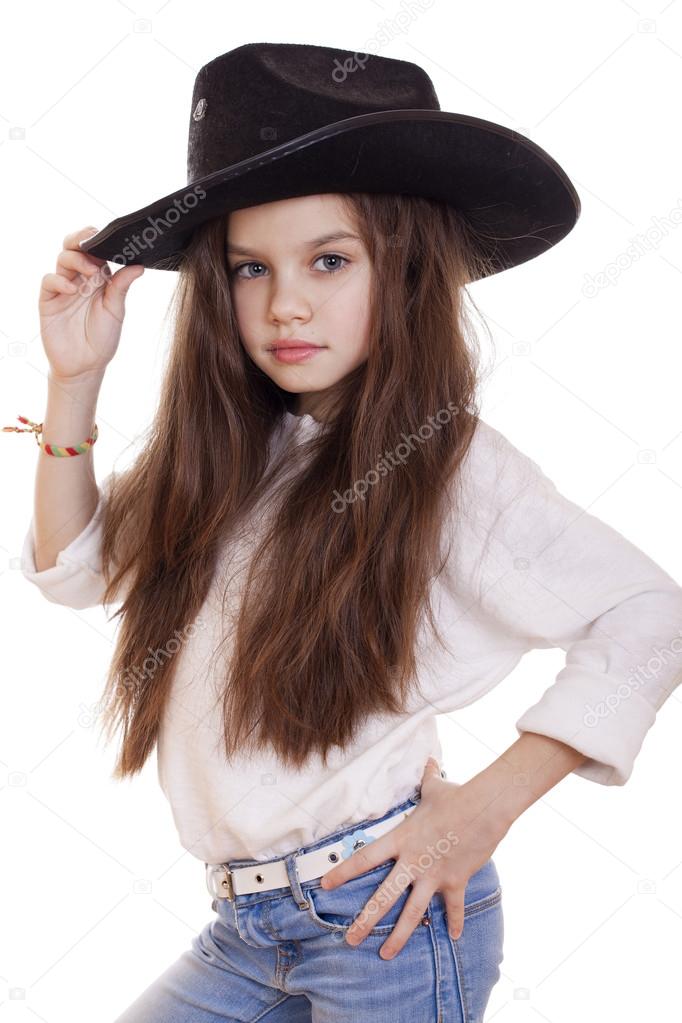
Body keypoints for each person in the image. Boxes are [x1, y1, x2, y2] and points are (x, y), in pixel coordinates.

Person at [16, 42, 682, 1023]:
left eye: (329, 260)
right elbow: (74, 570)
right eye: (252, 268)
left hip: (384, 919)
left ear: (405, 269)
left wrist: (482, 810)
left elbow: (649, 613)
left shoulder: (451, 468)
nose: (285, 304)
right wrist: (73, 383)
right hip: (246, 928)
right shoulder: (234, 450)